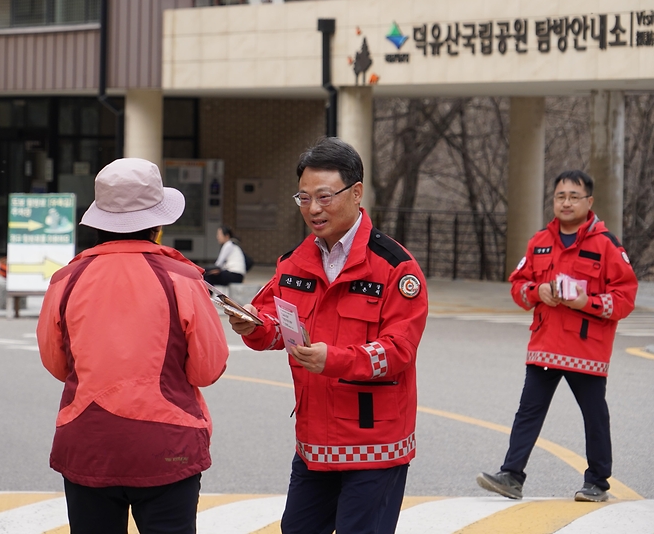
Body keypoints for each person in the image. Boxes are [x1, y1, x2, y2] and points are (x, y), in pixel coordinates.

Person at [227, 137, 427, 534]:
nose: (313, 209)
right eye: (303, 198)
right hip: (314, 442)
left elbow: (398, 351)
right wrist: (253, 325)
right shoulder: (293, 263)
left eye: (324, 197)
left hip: (374, 444)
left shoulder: (395, 267)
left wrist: (332, 360)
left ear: (356, 193)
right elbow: (277, 326)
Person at [37, 157, 229, 534]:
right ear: (157, 225)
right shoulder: (182, 278)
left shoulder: (66, 280)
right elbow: (207, 369)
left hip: (87, 442)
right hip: (167, 445)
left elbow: (56, 363)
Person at [477, 170, 637, 503]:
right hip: (545, 345)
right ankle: (512, 475)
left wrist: (587, 302)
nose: (566, 202)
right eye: (560, 196)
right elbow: (518, 286)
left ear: (589, 202)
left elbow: (625, 298)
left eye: (574, 196)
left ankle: (597, 482)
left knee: (594, 416)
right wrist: (537, 291)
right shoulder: (539, 241)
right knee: (528, 412)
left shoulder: (606, 244)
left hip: (586, 349)